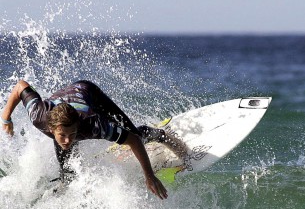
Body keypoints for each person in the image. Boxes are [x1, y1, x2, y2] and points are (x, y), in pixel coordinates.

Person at [1, 80, 187, 199]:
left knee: (135, 134)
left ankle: (160, 135)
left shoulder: (94, 125)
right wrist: (6, 118)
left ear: (78, 127)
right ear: (51, 129)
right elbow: (20, 86)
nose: (67, 140)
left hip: (88, 92)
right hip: (61, 106)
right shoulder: (38, 116)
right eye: (62, 135)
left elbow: (134, 141)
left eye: (72, 135)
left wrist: (149, 175)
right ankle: (64, 185)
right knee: (67, 169)